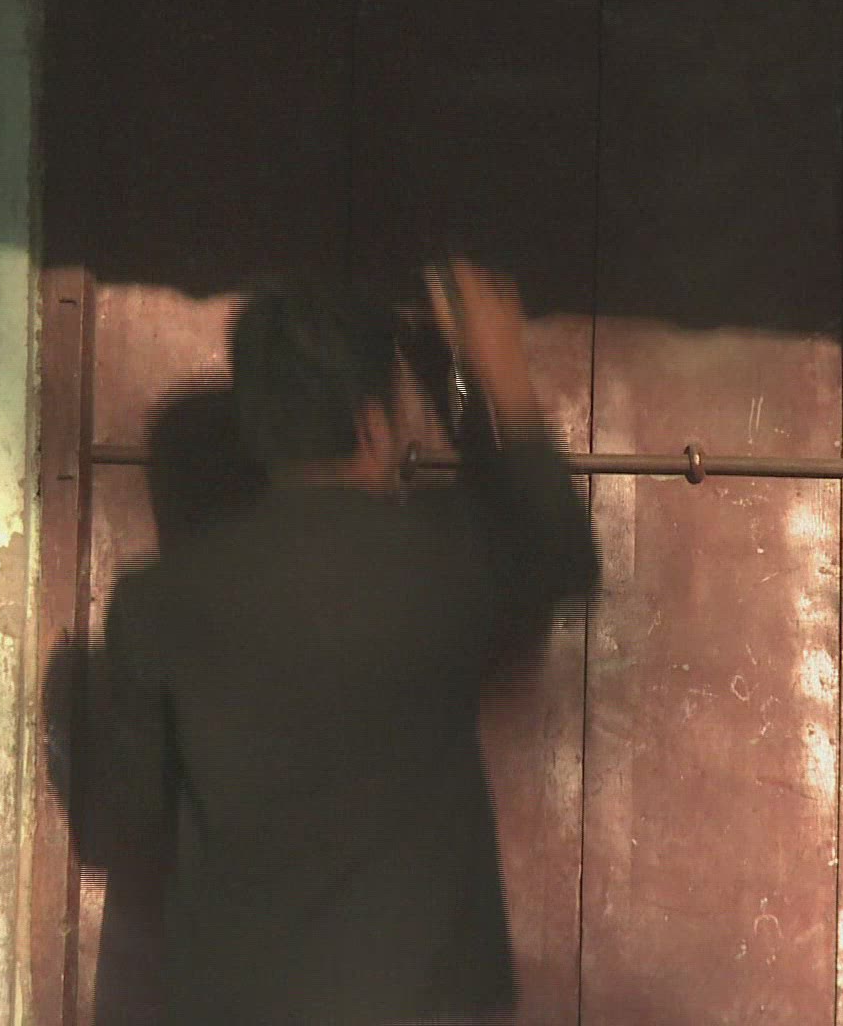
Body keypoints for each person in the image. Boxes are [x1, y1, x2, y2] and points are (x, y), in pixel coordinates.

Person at [78, 260, 601, 1025]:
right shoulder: (446, 551)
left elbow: (130, 824)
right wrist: (500, 378)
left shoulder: (155, 602)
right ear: (372, 425)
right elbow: (564, 556)